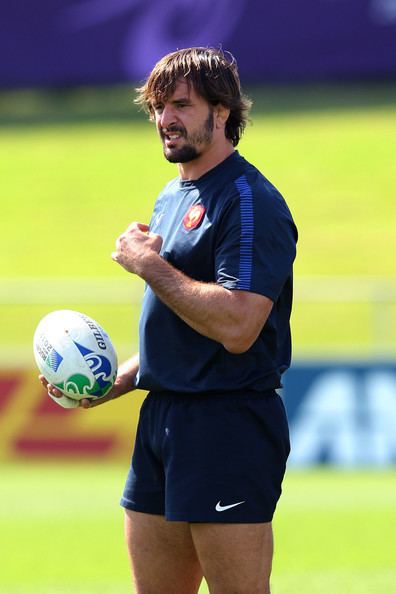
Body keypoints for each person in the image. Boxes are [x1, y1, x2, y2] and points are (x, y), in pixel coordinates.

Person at [40, 47, 297, 594]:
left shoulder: (249, 201)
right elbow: (179, 329)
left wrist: (149, 265)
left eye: (180, 104)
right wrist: (113, 384)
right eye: (157, 107)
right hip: (162, 421)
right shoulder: (171, 196)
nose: (164, 120)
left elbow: (238, 326)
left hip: (227, 425)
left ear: (222, 111)